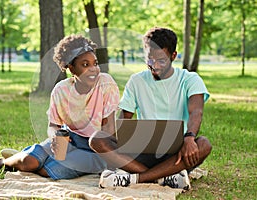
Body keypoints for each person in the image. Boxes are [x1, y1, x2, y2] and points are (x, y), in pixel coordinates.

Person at [0, 35, 120, 180]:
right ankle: (0, 163)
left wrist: (111, 163)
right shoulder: (61, 90)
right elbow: (53, 125)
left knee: (47, 170)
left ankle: (21, 155)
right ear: (70, 68)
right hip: (69, 139)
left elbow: (109, 129)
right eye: (85, 64)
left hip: (95, 149)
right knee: (29, 162)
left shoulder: (106, 84)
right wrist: (55, 137)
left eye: (95, 63)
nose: (93, 69)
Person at [89, 27, 212, 190]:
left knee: (204, 144)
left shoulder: (189, 79)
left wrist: (189, 138)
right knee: (97, 139)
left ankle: (136, 179)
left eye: (161, 60)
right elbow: (124, 117)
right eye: (150, 60)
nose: (154, 66)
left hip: (176, 153)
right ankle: (163, 177)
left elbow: (196, 111)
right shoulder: (136, 80)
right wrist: (118, 141)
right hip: (143, 151)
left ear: (173, 56)